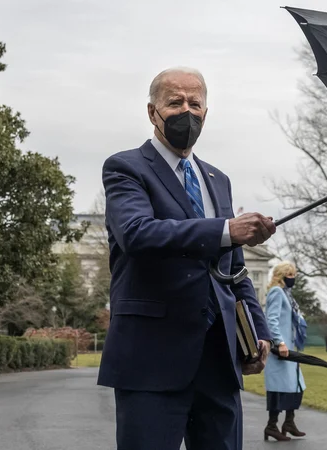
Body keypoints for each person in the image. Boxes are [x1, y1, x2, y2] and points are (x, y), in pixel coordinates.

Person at [98, 66, 277, 450]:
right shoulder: (126, 167)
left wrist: (260, 332)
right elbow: (137, 233)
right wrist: (225, 230)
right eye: (175, 102)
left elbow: (236, 269)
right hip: (151, 359)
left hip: (218, 360)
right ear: (152, 112)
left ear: (206, 113)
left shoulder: (218, 179)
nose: (186, 112)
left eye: (195, 103)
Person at [263, 261, 307, 441]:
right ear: (281, 276)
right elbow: (271, 319)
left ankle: (289, 422)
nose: (293, 278)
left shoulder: (288, 295)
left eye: (294, 275)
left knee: (297, 386)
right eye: (289, 275)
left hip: (289, 348)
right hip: (280, 349)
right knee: (278, 388)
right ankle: (271, 425)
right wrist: (279, 342)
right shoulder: (276, 292)